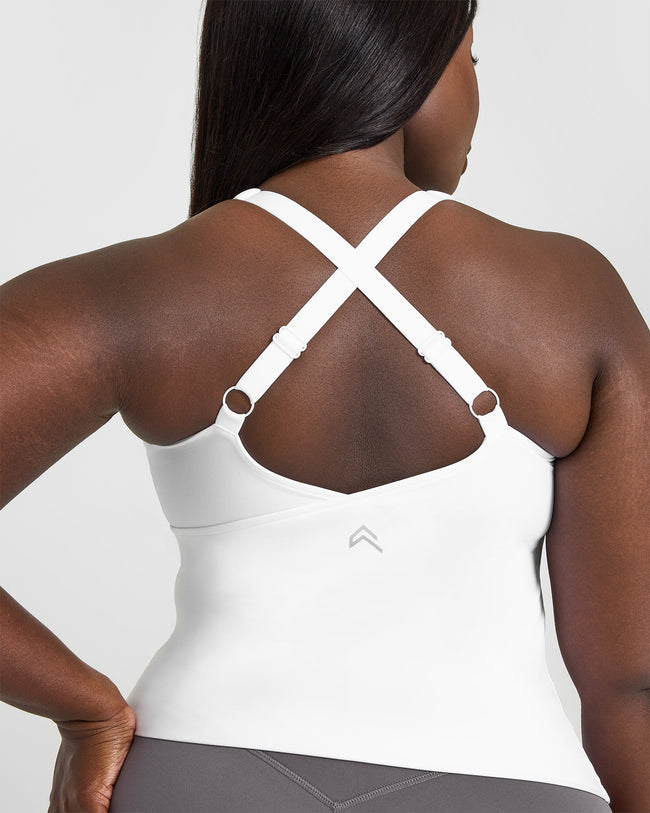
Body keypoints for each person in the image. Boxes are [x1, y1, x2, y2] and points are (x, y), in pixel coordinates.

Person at [1, 1, 648, 811]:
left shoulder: (141, 288)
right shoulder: (573, 297)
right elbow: (632, 683)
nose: (478, 90)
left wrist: (85, 708)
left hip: (197, 776)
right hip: (510, 783)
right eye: (471, 58)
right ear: (405, 59)